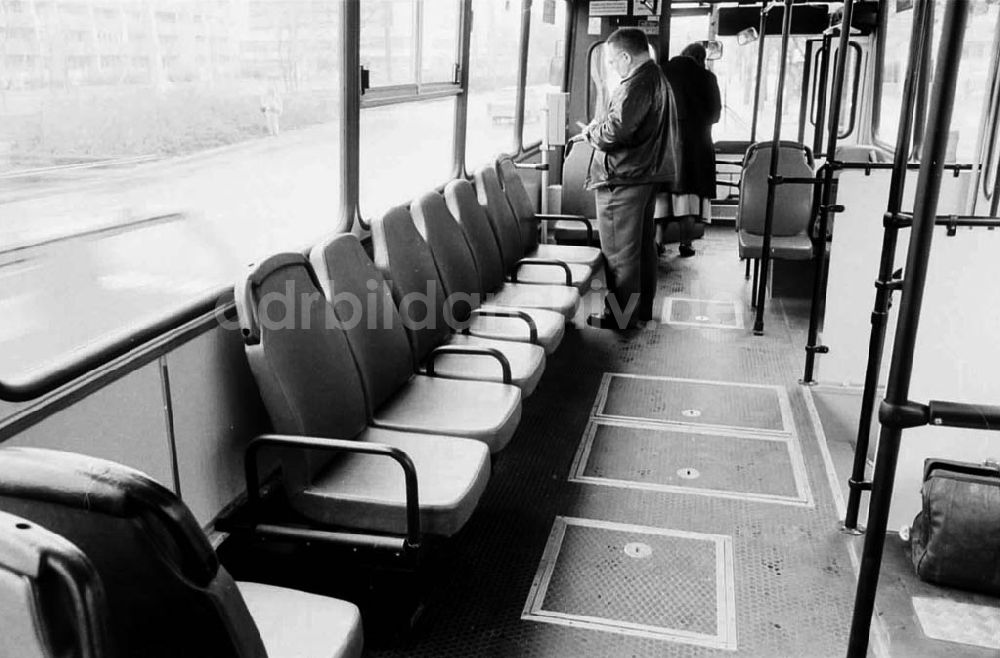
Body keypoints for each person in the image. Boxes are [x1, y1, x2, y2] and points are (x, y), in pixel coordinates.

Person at [578, 27, 679, 330]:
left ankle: (621, 317)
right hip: (643, 175)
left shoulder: (636, 82)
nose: (611, 66)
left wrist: (591, 132)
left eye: (612, 61)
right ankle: (641, 309)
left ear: (624, 56)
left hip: (623, 179)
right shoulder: (657, 78)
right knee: (641, 248)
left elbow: (616, 131)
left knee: (619, 254)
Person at [661, 42, 722, 257]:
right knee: (689, 198)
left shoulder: (662, 72)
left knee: (661, 195)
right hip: (698, 145)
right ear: (701, 58)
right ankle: (686, 244)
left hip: (665, 144)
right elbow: (715, 115)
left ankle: (657, 243)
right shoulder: (707, 78)